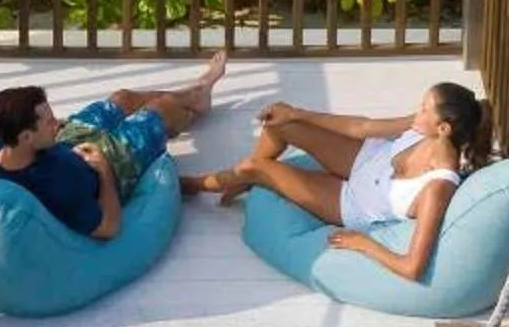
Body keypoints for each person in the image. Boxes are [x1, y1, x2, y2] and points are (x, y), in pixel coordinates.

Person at [192, 82, 492, 283]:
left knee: (252, 166)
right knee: (281, 124)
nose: (419, 110)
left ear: (443, 128)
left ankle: (194, 185)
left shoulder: (437, 186)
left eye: (426, 108)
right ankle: (243, 181)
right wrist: (297, 113)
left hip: (351, 201)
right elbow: (362, 127)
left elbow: (412, 268)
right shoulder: (421, 128)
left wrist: (365, 244)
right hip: (364, 159)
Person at [0, 53, 229, 241]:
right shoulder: (57, 183)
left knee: (122, 97)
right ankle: (198, 95)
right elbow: (108, 228)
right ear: (26, 136)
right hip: (110, 161)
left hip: (66, 140)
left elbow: (29, 139)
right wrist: (104, 171)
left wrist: (55, 130)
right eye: (48, 121)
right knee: (163, 109)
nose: (54, 121)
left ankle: (196, 93)